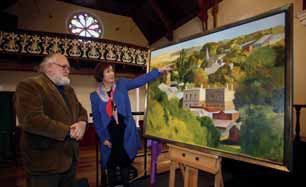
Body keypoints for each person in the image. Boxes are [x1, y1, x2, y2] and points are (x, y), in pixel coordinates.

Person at [90, 63, 172, 187]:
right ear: (101, 75)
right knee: (111, 167)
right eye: (108, 71)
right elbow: (97, 119)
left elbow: (140, 80)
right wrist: (103, 138)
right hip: (109, 136)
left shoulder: (121, 84)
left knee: (125, 165)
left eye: (112, 71)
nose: (112, 73)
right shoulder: (95, 96)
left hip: (125, 133)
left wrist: (158, 71)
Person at [15, 53, 88, 187]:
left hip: (70, 159)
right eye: (64, 66)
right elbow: (32, 120)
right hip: (44, 164)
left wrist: (82, 123)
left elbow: (81, 111)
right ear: (49, 67)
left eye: (69, 68)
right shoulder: (30, 85)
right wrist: (68, 131)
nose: (67, 70)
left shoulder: (68, 90)